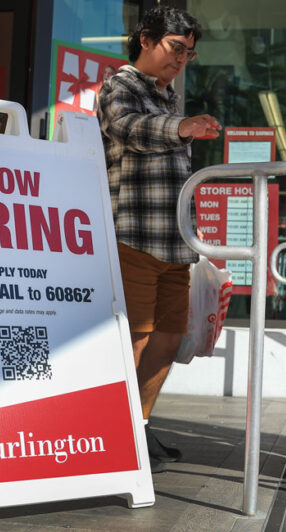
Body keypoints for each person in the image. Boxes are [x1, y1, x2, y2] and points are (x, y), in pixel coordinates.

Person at [97, 5, 221, 473]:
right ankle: (110, 436)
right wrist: (182, 127)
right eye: (175, 47)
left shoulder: (168, 97)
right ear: (146, 39)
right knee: (133, 340)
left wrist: (194, 227)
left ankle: (137, 428)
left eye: (189, 53)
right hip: (132, 238)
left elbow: (173, 172)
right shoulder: (119, 85)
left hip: (175, 244)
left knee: (169, 340)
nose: (181, 59)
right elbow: (128, 130)